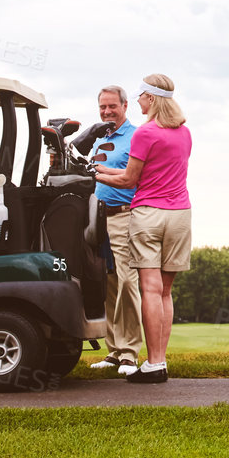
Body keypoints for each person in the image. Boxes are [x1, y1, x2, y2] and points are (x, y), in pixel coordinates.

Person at [94, 73, 191, 384]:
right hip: (180, 215)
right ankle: (159, 361)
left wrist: (95, 177)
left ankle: (153, 362)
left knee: (147, 289)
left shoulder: (145, 133)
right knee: (165, 292)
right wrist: (102, 168)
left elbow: (129, 180)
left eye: (140, 96)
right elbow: (143, 171)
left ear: (151, 99)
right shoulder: (184, 133)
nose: (138, 101)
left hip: (149, 215)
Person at [84, 86, 140, 375]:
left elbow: (137, 178)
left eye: (112, 106)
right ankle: (114, 352)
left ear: (125, 106)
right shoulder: (98, 139)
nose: (107, 112)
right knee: (107, 284)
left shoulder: (136, 137)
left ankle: (130, 352)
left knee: (128, 282)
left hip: (125, 215)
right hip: (97, 218)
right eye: (102, 107)